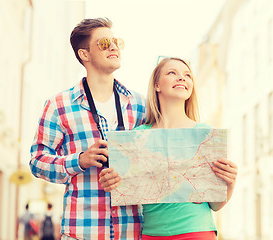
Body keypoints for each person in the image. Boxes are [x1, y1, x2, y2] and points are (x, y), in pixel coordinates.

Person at [29, 17, 145, 240]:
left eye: (115, 41)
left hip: (131, 231)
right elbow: (37, 162)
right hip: (82, 232)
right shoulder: (58, 105)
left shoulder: (140, 105)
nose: (113, 47)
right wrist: (79, 161)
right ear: (84, 54)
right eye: (103, 43)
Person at [99, 57, 238, 239]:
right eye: (172, 73)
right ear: (157, 85)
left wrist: (230, 183)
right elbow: (125, 188)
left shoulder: (206, 134)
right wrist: (111, 181)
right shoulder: (137, 136)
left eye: (187, 75)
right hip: (152, 234)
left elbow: (215, 205)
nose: (181, 78)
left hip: (196, 232)